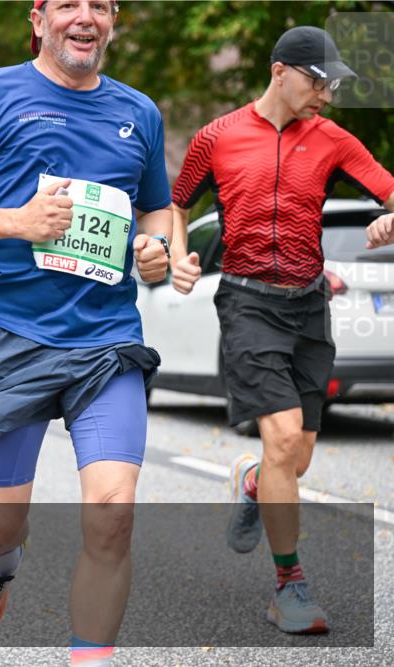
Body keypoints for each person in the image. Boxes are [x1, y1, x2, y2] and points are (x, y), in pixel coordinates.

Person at [0, 1, 172, 658]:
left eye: (100, 5)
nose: (85, 16)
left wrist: (158, 250)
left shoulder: (139, 112)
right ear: (40, 17)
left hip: (107, 339)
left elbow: (159, 208)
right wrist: (12, 222)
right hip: (11, 334)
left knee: (113, 513)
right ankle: (0, 566)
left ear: (112, 21)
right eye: (68, 4)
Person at [170, 26, 394, 635]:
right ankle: (290, 587)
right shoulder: (217, 137)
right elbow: (178, 201)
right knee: (283, 437)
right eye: (318, 80)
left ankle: (250, 482)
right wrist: (177, 255)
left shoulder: (332, 139)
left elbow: (391, 190)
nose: (326, 94)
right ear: (279, 72)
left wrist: (389, 218)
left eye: (333, 84)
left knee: (294, 457)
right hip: (246, 303)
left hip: (308, 306)